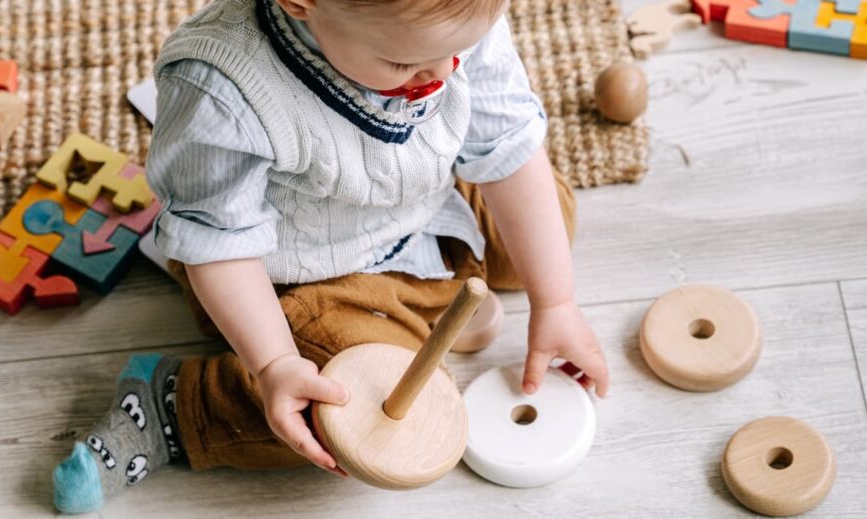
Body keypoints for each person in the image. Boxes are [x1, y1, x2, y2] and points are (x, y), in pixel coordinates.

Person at [52, 0, 610, 513]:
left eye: (458, 52)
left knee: (549, 215)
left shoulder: (450, 21)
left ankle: (439, 289)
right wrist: (273, 365)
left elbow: (506, 143)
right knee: (345, 410)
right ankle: (172, 406)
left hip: (422, 206)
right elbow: (218, 245)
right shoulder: (221, 87)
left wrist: (556, 300)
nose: (442, 74)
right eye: (403, 64)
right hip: (293, 275)